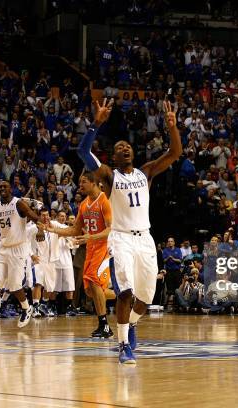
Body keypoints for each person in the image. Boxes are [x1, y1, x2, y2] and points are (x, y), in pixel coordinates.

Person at [77, 99, 182, 364]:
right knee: (125, 292)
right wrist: (97, 122)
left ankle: (131, 324)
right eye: (119, 147)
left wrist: (172, 127)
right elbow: (82, 151)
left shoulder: (145, 173)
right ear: (113, 157)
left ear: (132, 153)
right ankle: (124, 345)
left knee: (145, 300)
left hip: (145, 238)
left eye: (127, 146)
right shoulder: (109, 177)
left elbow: (174, 152)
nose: (124, 147)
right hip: (121, 239)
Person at [47, 172, 116, 338]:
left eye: (84, 182)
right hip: (91, 247)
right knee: (91, 291)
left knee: (93, 281)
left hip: (104, 246)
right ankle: (124, 294)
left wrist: (90, 237)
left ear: (94, 182)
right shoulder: (84, 205)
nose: (80, 185)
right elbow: (75, 230)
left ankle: (104, 325)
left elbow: (110, 229)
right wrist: (53, 230)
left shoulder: (104, 201)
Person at [0, 181, 45, 331]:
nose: (2, 189)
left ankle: (26, 308)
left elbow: (36, 218)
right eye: (0, 187)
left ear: (10, 189)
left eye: (5, 187)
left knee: (14, 286)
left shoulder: (19, 204)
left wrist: (40, 231)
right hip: (2, 248)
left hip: (18, 248)